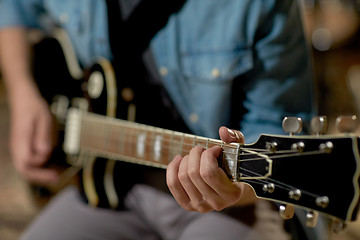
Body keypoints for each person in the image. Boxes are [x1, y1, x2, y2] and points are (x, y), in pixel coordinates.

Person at [0, 0, 320, 239]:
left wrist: (232, 187)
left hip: (228, 205)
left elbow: (276, 131)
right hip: (102, 184)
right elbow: (13, 8)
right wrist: (22, 92)